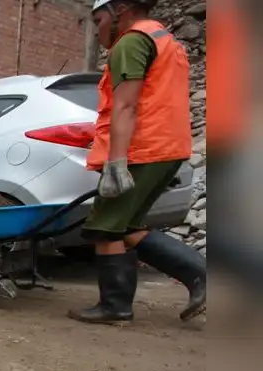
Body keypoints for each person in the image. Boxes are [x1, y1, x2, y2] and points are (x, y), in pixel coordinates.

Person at [70, 0, 206, 324]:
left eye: (98, 19)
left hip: (142, 151)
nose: (97, 28)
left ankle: (114, 306)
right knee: (127, 228)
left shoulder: (132, 42)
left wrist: (116, 163)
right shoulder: (165, 40)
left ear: (121, 10)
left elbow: (127, 106)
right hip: (168, 147)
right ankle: (200, 277)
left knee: (104, 227)